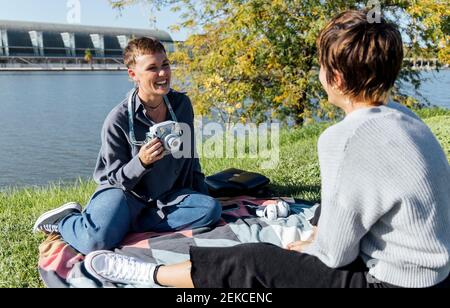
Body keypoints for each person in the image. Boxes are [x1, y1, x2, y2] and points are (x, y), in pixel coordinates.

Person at [83, 10, 450, 288]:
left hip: (390, 281)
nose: (163, 73)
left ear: (334, 78)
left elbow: (335, 255)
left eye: (321, 66)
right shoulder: (407, 118)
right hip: (432, 271)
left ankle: (151, 274)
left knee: (251, 260)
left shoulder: (344, 138)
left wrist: (301, 250)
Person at [33, 37, 222, 255]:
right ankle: (65, 221)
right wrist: (141, 162)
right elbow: (114, 179)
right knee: (95, 243)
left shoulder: (181, 105)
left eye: (165, 65)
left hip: (168, 196)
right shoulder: (118, 120)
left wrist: (203, 195)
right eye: (152, 68)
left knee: (210, 210)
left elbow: (190, 158)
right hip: (124, 195)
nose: (163, 74)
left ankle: (124, 224)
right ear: (133, 75)